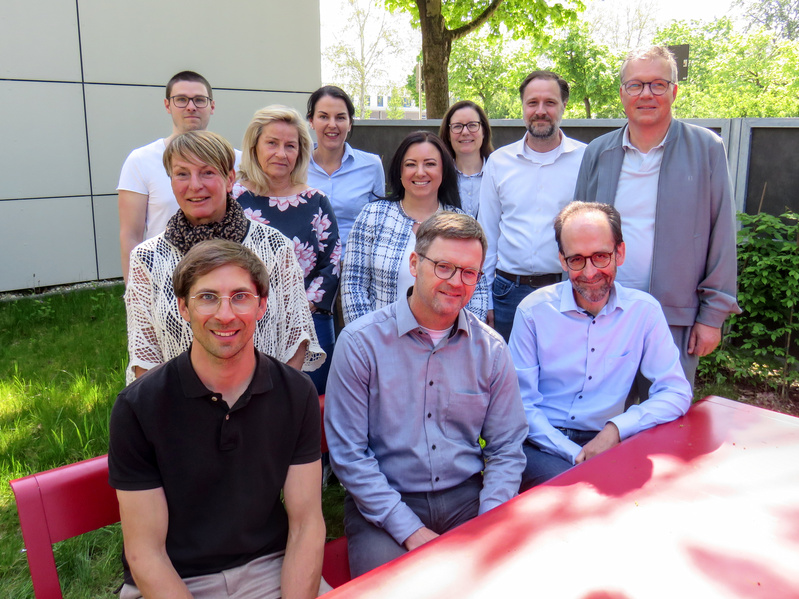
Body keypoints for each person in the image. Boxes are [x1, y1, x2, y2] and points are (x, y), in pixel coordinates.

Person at [110, 240, 326, 599]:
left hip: (270, 569)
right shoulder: (139, 406)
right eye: (207, 297)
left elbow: (306, 525)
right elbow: (145, 553)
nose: (225, 314)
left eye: (240, 296)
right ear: (183, 307)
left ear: (261, 306)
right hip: (176, 579)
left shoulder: (295, 393)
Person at [326, 212, 527, 577]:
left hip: (468, 497)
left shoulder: (492, 349)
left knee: (512, 581)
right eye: (444, 267)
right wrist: (411, 532)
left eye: (469, 272)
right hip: (384, 502)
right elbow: (349, 456)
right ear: (415, 263)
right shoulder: (360, 344)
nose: (456, 282)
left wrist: (489, 519)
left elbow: (507, 447)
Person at [574, 46, 740, 384]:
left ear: (674, 91)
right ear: (622, 93)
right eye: (635, 85)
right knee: (599, 417)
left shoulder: (706, 148)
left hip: (673, 316)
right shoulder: (597, 152)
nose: (646, 94)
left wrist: (712, 317)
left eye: (658, 84)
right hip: (602, 309)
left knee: (664, 420)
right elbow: (574, 233)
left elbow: (721, 233)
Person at [509, 202, 692, 490]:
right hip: (540, 442)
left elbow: (676, 391)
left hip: (609, 438)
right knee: (577, 491)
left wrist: (616, 428)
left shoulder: (644, 312)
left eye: (601, 256)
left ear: (620, 252)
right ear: (562, 259)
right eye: (577, 260)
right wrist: (575, 454)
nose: (590, 272)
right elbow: (521, 405)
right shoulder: (533, 312)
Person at [125, 130, 322, 385]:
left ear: (230, 179)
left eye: (207, 172)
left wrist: (270, 401)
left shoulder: (275, 248)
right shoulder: (147, 258)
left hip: (263, 408)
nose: (195, 185)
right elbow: (144, 355)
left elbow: (296, 339)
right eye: (182, 173)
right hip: (179, 414)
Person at [237, 105, 341, 393]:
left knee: (306, 406)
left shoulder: (316, 201)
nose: (281, 154)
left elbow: (331, 263)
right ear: (255, 145)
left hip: (309, 322)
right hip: (244, 321)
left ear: (300, 151)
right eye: (272, 143)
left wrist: (296, 309)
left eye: (290, 146)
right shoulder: (233, 200)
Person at [478, 70, 586, 342]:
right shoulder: (499, 162)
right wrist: (486, 298)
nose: (541, 111)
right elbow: (487, 234)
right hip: (506, 293)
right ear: (523, 107)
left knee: (563, 375)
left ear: (564, 106)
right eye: (532, 103)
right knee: (507, 377)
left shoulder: (586, 159)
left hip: (567, 290)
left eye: (550, 102)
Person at [341, 131, 488, 325]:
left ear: (444, 171)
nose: (420, 172)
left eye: (430, 164)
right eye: (411, 164)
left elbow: (478, 291)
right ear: (399, 172)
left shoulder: (463, 222)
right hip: (381, 343)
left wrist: (460, 342)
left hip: (447, 344)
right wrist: (368, 340)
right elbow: (353, 285)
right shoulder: (373, 216)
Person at [118, 71, 242, 283]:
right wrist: (135, 295)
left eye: (199, 100)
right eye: (182, 100)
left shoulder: (238, 161)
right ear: (168, 106)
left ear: (212, 106)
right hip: (164, 276)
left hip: (228, 276)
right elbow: (131, 236)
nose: (191, 106)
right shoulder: (140, 160)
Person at [306, 85, 385, 250]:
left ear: (350, 123)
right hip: (307, 266)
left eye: (340, 117)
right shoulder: (297, 166)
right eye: (323, 117)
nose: (332, 124)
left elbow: (379, 223)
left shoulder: (372, 165)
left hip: (354, 264)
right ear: (311, 121)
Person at [438, 100, 494, 218]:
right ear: (448, 134)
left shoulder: (500, 173)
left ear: (483, 131)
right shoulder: (438, 177)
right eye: (457, 126)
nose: (465, 132)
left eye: (472, 125)